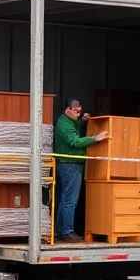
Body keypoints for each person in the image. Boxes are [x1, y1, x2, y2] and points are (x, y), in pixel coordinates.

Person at [53, 98, 108, 242]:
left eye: (80, 111)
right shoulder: (64, 124)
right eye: (76, 111)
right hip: (70, 165)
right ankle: (67, 231)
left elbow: (74, 126)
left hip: (70, 164)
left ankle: (61, 230)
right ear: (67, 110)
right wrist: (95, 138)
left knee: (65, 199)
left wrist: (82, 121)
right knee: (70, 200)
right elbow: (75, 141)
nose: (78, 114)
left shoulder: (68, 121)